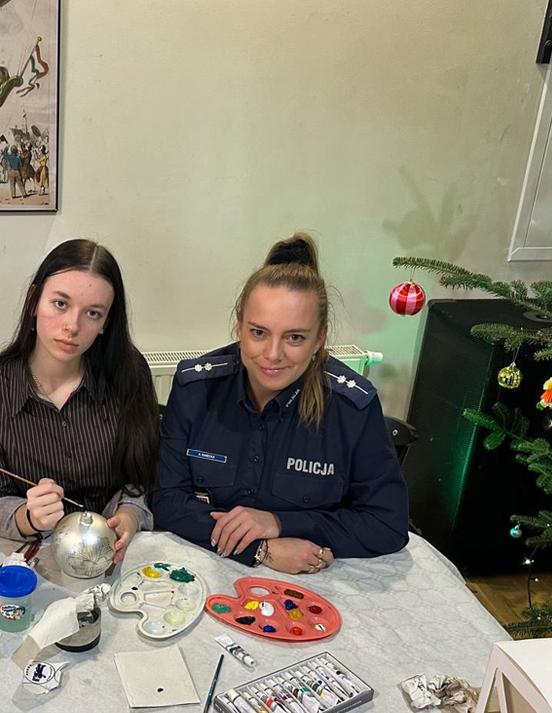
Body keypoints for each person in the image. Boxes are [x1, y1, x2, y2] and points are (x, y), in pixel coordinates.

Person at [151, 233, 408, 574]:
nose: (273, 354)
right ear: (239, 327)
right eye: (258, 332)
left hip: (313, 580)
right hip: (207, 570)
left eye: (295, 337)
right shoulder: (195, 389)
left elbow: (387, 525)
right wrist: (260, 550)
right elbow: (167, 500)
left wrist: (279, 522)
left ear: (319, 338)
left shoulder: (351, 407)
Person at [0, 239, 159, 562]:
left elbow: (140, 478)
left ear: (106, 323)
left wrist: (130, 515)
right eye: (60, 304)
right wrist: (29, 516)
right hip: (33, 555)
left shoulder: (130, 373)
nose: (72, 326)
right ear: (33, 301)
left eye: (92, 313)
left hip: (115, 552)